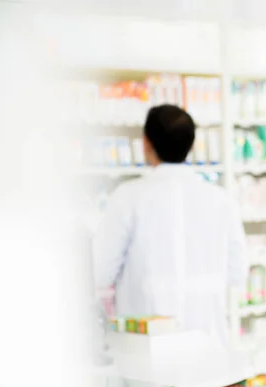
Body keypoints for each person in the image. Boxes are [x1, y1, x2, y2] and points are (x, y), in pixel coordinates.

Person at [92, 104, 248, 344]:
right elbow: (237, 273)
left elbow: (100, 271)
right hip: (209, 342)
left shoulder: (127, 197)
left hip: (147, 349)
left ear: (146, 143)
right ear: (192, 145)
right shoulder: (221, 200)